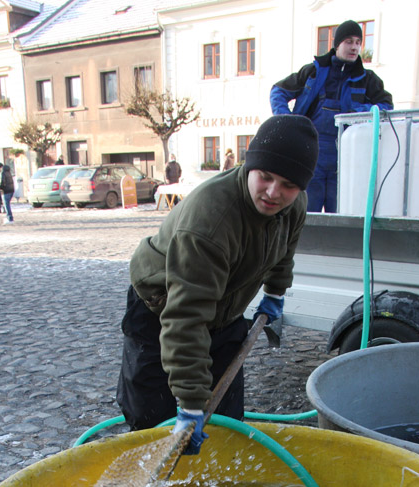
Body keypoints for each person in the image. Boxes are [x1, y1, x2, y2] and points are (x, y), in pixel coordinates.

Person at [116, 114, 319, 454]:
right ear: (248, 165)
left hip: (224, 308)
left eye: (288, 185)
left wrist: (275, 292)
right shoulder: (210, 219)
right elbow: (186, 317)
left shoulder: (294, 204)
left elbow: (285, 249)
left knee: (225, 414)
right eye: (265, 177)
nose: (273, 192)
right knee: (153, 419)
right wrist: (191, 401)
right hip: (163, 304)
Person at [270, 19, 393, 213]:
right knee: (304, 216)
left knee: (342, 219)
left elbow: (386, 107)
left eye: (358, 43)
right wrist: (288, 121)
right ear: (337, 45)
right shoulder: (313, 72)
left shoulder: (368, 80)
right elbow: (278, 91)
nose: (354, 47)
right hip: (310, 156)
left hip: (346, 159)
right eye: (349, 41)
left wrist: (360, 111)